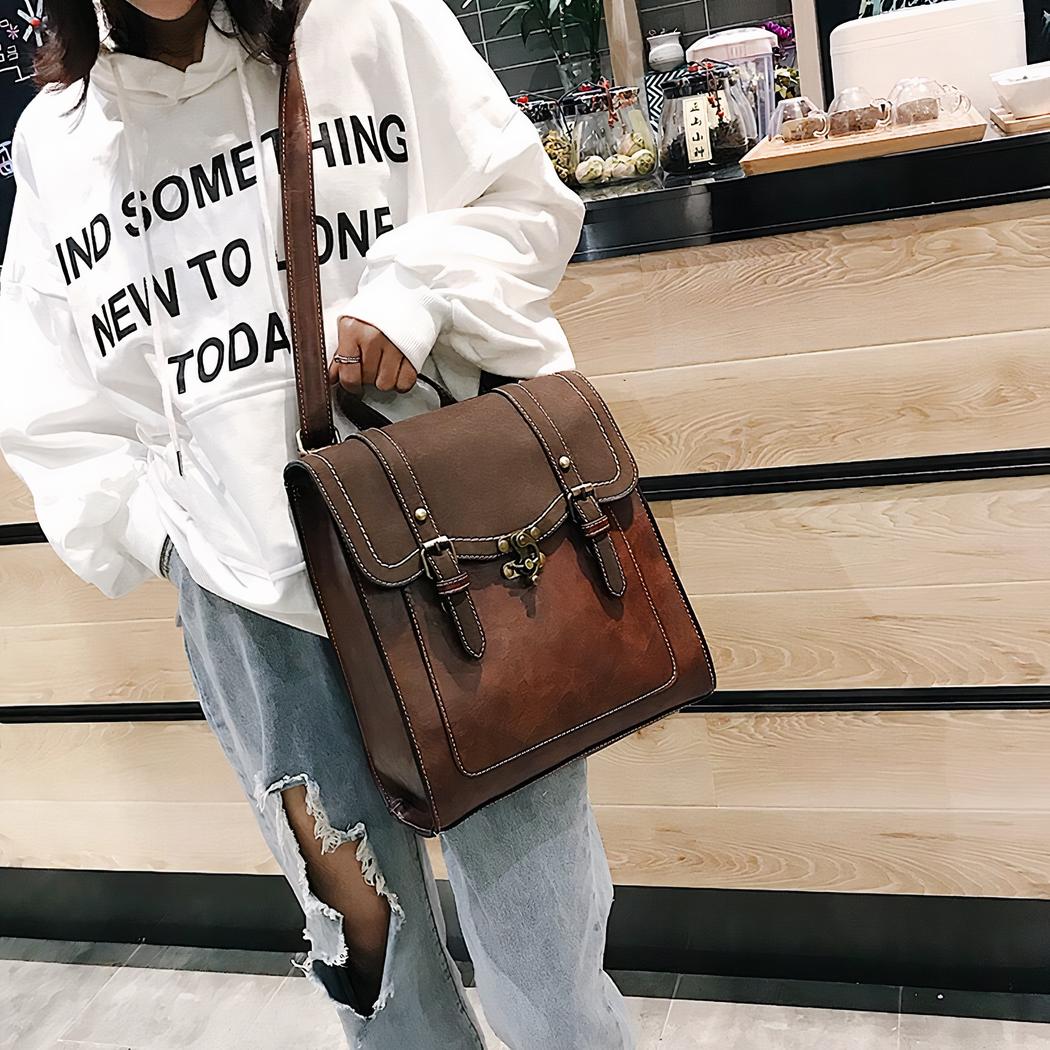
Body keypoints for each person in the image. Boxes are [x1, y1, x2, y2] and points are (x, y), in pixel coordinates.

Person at [0, 1, 639, 1047]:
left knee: (545, 956)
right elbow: (50, 397)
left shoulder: (366, 18)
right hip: (247, 611)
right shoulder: (60, 137)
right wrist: (159, 535)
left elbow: (523, 199)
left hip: (452, 560)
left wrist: (415, 296)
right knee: (375, 971)